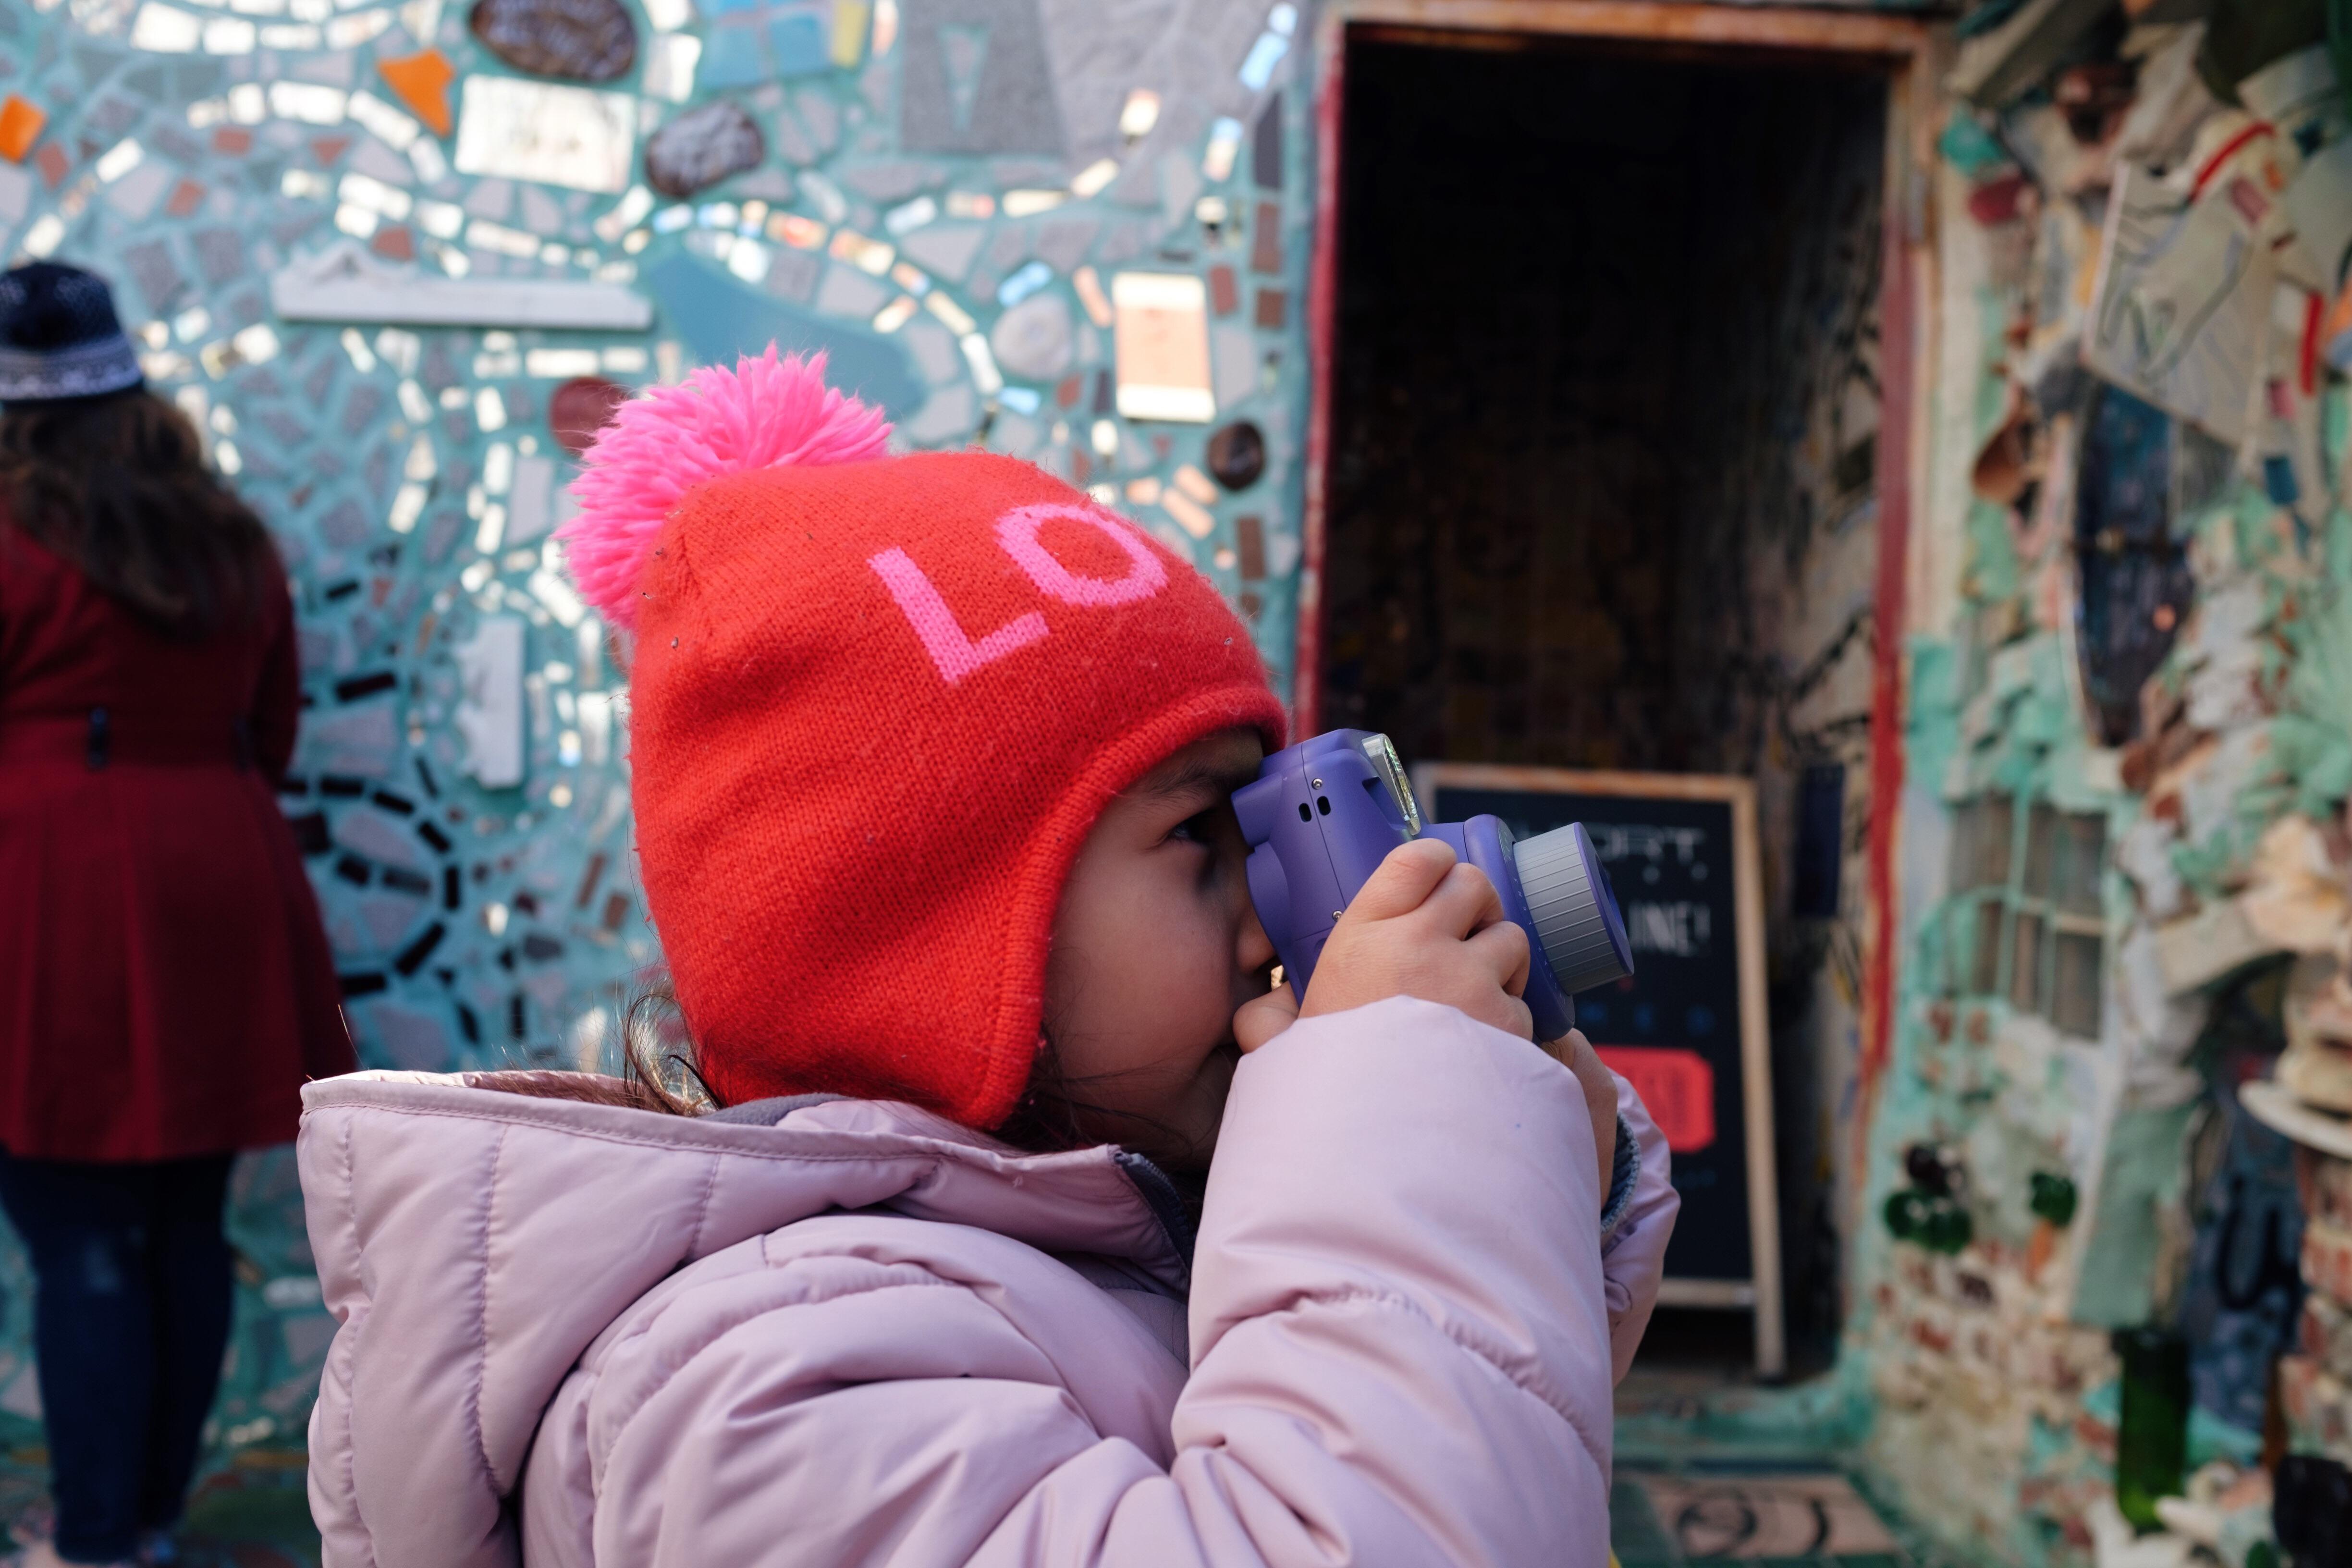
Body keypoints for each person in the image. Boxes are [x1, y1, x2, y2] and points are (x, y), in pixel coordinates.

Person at [296, 348, 1678, 1568]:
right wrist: (1405, 1125)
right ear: (937, 934)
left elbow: (1493, 1430)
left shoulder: (1128, 1222)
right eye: (1207, 831)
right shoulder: (758, 1390)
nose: (1278, 918)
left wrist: (1529, 1126)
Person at [0, 262, 354, 1568]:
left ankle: (94, 1538)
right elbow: (271, 728)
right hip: (220, 866)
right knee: (183, 1221)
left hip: (47, 883)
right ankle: (145, 1518)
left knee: (76, 1225)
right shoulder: (225, 533)